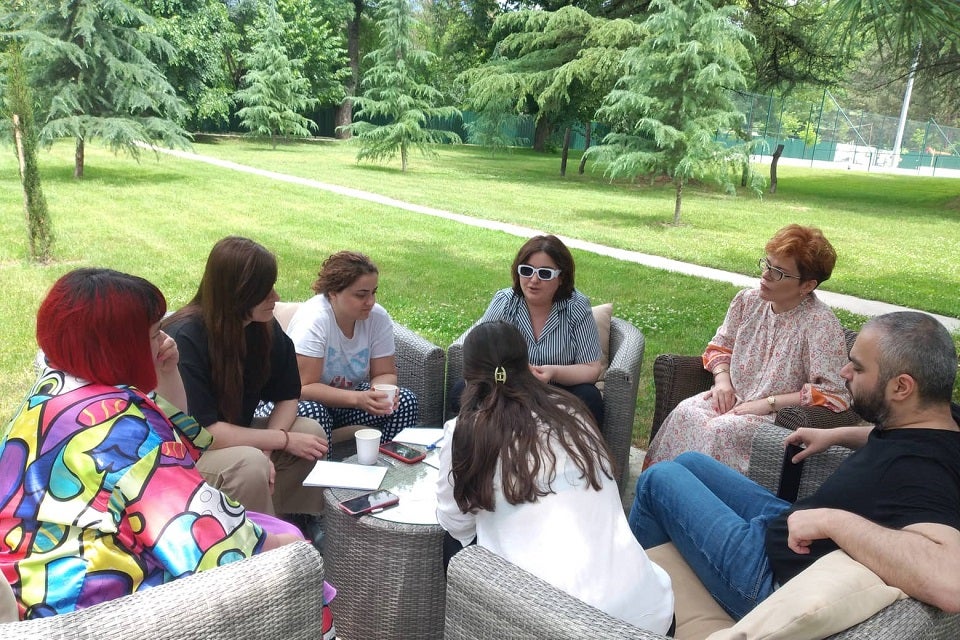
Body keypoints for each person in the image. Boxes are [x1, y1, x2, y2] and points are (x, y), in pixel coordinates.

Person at [0, 269, 306, 619]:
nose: (164, 339)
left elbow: (180, 439)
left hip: (23, 572)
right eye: (154, 333)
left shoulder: (52, 388)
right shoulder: (129, 434)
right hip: (81, 602)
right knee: (289, 550)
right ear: (120, 348)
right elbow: (205, 537)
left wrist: (168, 372)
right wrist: (293, 549)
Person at [629, 311, 960, 621]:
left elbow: (951, 583)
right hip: (790, 527)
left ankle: (637, 606)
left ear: (901, 387)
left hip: (768, 576)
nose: (844, 373)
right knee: (691, 462)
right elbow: (904, 439)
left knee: (659, 478)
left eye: (857, 369)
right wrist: (838, 434)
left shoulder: (921, 471)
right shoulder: (941, 420)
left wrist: (831, 521)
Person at [437, 321, 675, 634]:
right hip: (653, 615)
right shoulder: (571, 411)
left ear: (467, 378)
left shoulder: (465, 431)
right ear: (527, 365)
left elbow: (455, 522)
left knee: (453, 545)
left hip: (562, 626)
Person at [645, 224, 851, 473]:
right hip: (733, 396)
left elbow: (833, 393)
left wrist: (769, 403)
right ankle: (662, 488)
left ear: (807, 286)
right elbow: (720, 346)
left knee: (720, 431)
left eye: (778, 272)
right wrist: (722, 382)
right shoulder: (747, 301)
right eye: (767, 264)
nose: (765, 275)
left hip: (772, 417)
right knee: (686, 413)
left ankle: (701, 500)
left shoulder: (820, 323)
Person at [164, 237, 328, 521]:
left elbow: (288, 395)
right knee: (249, 464)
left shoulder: (262, 326)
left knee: (311, 433)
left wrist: (269, 447)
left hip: (235, 436)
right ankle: (253, 545)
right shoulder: (186, 336)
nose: (275, 297)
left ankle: (293, 521)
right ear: (237, 292)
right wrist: (281, 439)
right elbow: (206, 432)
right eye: (264, 291)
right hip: (187, 451)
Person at [264, 251, 419, 444]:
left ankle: (389, 466)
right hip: (297, 404)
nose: (370, 302)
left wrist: (379, 395)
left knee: (405, 401)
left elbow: (385, 371)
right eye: (361, 294)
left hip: (348, 401)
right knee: (314, 412)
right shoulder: (315, 319)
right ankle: (325, 473)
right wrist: (358, 399)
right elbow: (302, 387)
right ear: (333, 293)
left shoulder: (377, 318)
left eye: (373, 292)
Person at [451, 234, 605, 424]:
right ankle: (483, 448)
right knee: (461, 391)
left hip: (558, 391)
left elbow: (591, 369)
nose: (533, 280)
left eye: (545, 273)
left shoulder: (576, 306)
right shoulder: (505, 302)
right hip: (508, 389)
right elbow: (478, 348)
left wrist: (553, 373)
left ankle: (576, 452)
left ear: (562, 278)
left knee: (589, 397)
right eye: (526, 270)